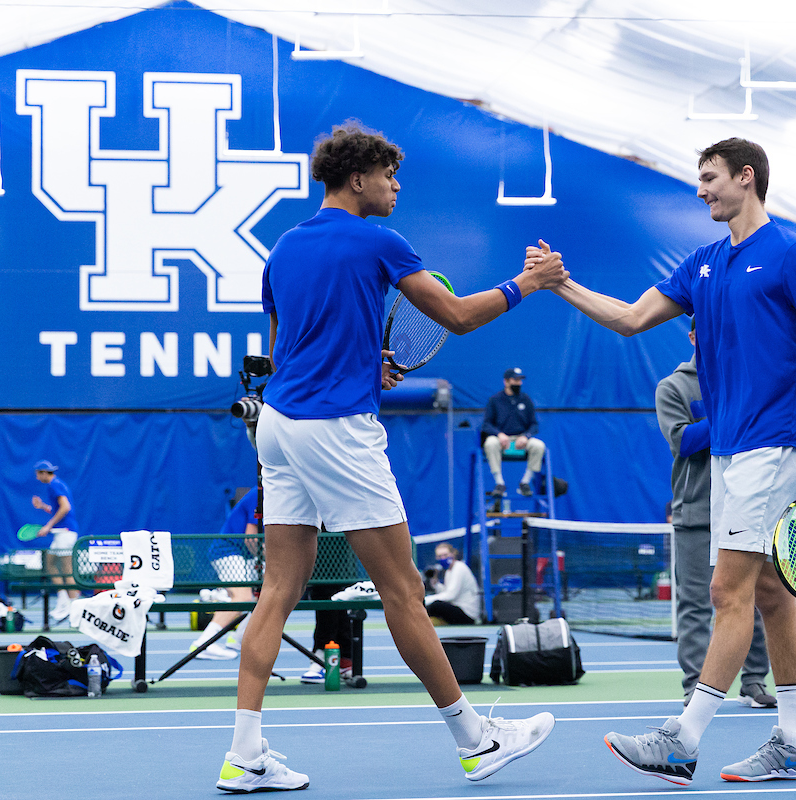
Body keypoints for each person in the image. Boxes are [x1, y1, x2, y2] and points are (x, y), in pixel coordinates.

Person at [216, 122, 565, 793]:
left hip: (280, 427)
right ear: (358, 179)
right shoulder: (380, 241)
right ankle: (476, 740)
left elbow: (284, 348)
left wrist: (361, 360)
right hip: (336, 432)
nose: (396, 187)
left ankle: (245, 754)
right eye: (389, 176)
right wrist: (531, 282)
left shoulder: (283, 250)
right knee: (403, 588)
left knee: (277, 593)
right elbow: (458, 317)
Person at [531, 136, 796, 783]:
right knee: (771, 591)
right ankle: (795, 744)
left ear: (746, 177)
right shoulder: (703, 264)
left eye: (709, 178)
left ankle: (684, 738)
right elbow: (629, 319)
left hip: (774, 445)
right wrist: (561, 283)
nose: (701, 189)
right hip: (734, 453)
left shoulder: (793, 255)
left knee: (726, 591)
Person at [656, 322, 775, 709]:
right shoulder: (673, 388)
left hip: (746, 509)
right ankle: (695, 686)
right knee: (693, 604)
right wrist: (730, 412)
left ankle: (754, 681)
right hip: (696, 513)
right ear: (693, 337)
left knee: (753, 598)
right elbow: (684, 441)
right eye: (706, 331)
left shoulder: (745, 380)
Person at [192, 490, 261, 660]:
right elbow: (251, 538)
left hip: (246, 556)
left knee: (270, 595)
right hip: (227, 551)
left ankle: (239, 639)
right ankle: (204, 643)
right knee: (242, 597)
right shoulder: (260, 493)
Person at [481, 368, 545, 497]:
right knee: (490, 443)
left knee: (538, 445)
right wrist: (499, 434)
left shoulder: (526, 399)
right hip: (501, 440)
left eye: (520, 380)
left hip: (521, 440)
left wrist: (525, 436)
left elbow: (534, 425)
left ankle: (525, 483)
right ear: (506, 381)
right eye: (515, 380)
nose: (518, 383)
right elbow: (486, 424)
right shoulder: (495, 400)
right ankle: (499, 483)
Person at [31, 460, 80, 623]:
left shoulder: (54, 485)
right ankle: (65, 601)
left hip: (65, 533)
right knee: (51, 564)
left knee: (66, 569)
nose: (37, 477)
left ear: (44, 473)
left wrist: (47, 526)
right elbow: (59, 508)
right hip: (63, 533)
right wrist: (43, 507)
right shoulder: (57, 484)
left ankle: (74, 607)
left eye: (38, 474)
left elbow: (65, 508)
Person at [425, 542, 481, 625]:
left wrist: (427, 599)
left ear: (452, 554)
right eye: (440, 556)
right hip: (458, 608)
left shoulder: (459, 568)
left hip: (467, 613)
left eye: (445, 555)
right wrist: (436, 584)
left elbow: (450, 595)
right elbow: (446, 591)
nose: (443, 558)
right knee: (435, 606)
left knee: (435, 606)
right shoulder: (449, 571)